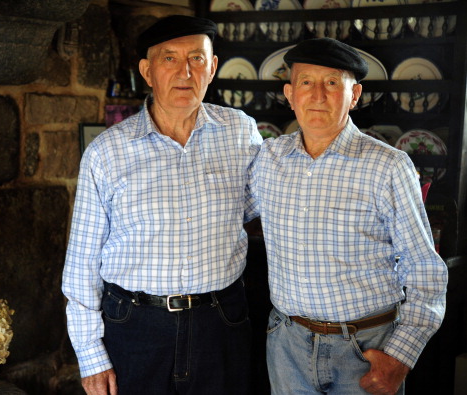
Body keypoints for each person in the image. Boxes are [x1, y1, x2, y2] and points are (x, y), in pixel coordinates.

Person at [62, 15, 262, 395]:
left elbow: (267, 204)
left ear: (213, 67)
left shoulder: (240, 132)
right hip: (135, 326)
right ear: (147, 71)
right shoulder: (107, 153)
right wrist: (90, 356)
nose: (185, 71)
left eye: (197, 59)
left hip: (221, 321)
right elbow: (81, 266)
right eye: (169, 58)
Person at [251, 37, 448, 394]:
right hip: (286, 345)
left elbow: (426, 272)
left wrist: (400, 357)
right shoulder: (267, 159)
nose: (317, 95)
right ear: (290, 94)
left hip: (365, 347)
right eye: (306, 83)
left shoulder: (388, 166)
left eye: (331, 83)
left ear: (354, 95)